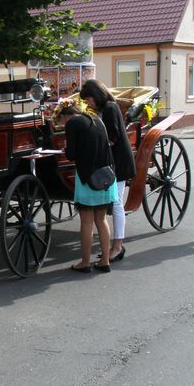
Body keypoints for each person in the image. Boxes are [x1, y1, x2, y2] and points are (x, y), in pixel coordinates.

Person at [52, 99, 118, 273]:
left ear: (66, 116)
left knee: (87, 222)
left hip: (87, 178)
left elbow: (72, 154)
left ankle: (85, 262)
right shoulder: (96, 119)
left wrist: (66, 149)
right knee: (102, 220)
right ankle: (105, 260)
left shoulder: (73, 123)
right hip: (105, 177)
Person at [79, 79, 136, 262]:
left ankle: (118, 245)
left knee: (117, 203)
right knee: (115, 202)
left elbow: (112, 138)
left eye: (88, 99)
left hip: (118, 162)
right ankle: (114, 245)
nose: (88, 103)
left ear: (96, 95)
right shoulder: (107, 107)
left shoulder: (110, 108)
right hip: (113, 160)